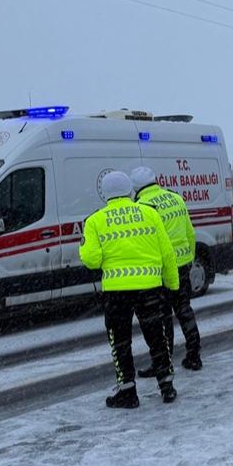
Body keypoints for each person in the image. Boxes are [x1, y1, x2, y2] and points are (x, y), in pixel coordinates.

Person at [80, 171, 179, 408]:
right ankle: (166, 386)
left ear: (104, 193)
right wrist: (173, 285)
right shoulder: (149, 213)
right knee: (157, 336)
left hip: (117, 292)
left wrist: (82, 248)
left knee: (120, 341)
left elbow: (92, 260)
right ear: (130, 190)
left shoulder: (95, 220)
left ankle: (128, 392)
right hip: (149, 288)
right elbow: (167, 253)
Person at [130, 167, 202, 373]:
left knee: (162, 318)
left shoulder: (143, 206)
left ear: (136, 187)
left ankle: (163, 361)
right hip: (182, 265)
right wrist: (188, 259)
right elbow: (190, 232)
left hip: (160, 270)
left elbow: (143, 243)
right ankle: (194, 355)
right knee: (184, 310)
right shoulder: (175, 198)